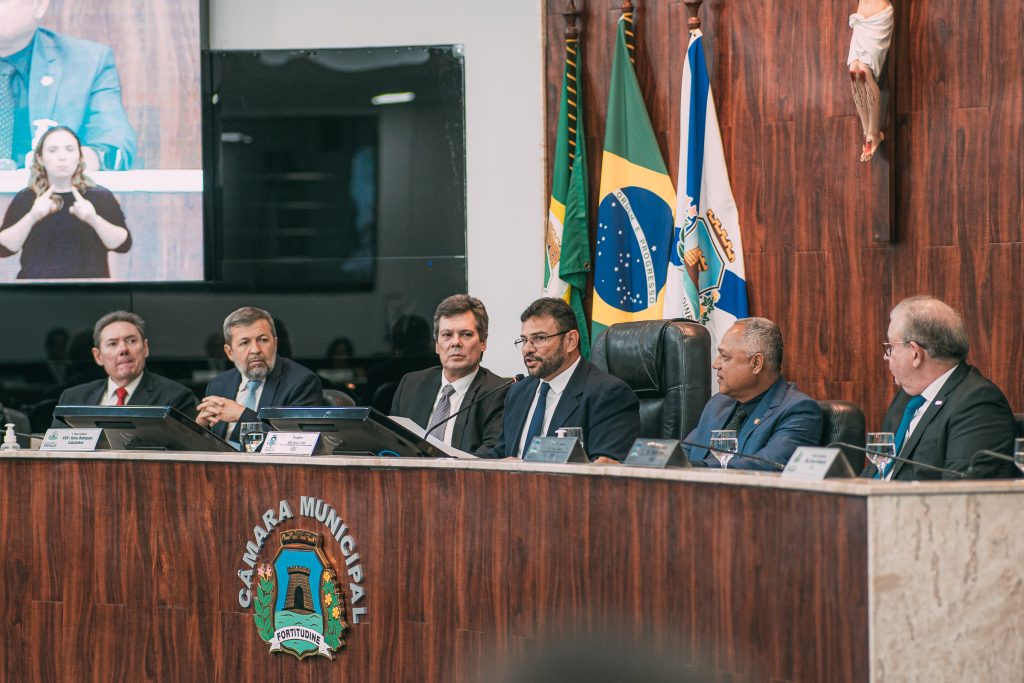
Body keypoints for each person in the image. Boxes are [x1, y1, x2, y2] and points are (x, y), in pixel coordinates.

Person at [868, 295, 1018, 480]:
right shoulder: (906, 399)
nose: (886, 356)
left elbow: (959, 489)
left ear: (915, 353)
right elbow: (876, 471)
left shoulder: (978, 403)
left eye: (891, 346)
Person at [488, 297, 640, 461]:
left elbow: (606, 470)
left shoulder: (608, 394)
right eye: (524, 340)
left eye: (539, 338)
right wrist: (458, 460)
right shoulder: (518, 392)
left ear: (571, 341)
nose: (527, 349)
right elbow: (502, 453)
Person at [0, 0, 136, 170]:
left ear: (39, 5)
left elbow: (115, 144)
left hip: (50, 193)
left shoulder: (87, 63)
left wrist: (87, 158)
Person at [684, 317, 822, 469]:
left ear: (756, 363)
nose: (715, 364)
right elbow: (684, 452)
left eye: (725, 357)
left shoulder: (798, 411)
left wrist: (693, 468)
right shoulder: (718, 403)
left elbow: (765, 466)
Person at [0, 125, 130, 278]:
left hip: (90, 294)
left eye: (69, 149)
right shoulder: (27, 197)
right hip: (36, 293)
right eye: (53, 150)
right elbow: (5, 249)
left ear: (80, 157)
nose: (62, 157)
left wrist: (94, 219)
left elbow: (122, 245)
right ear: (40, 158)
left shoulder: (99, 196)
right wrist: (32, 217)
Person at [391, 294, 509, 454]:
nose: (455, 342)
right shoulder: (411, 385)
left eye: (466, 334)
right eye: (447, 335)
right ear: (437, 345)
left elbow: (491, 453)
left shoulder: (498, 392)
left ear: (483, 342)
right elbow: (391, 443)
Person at [196, 306, 323, 445]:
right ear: (230, 352)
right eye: (244, 343)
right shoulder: (219, 384)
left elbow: (298, 443)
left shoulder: (301, 382)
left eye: (263, 340)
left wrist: (242, 415)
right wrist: (199, 429)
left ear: (275, 343)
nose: (255, 350)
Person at [50, 311, 197, 428]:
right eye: (113, 344)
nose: (123, 350)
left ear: (145, 348)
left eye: (131, 341)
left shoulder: (175, 397)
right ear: (98, 356)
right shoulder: (73, 398)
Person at [847, 0, 893, 162]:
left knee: (864, 72)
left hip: (878, 18)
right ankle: (868, 133)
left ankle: (875, 133)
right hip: (861, 20)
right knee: (854, 73)